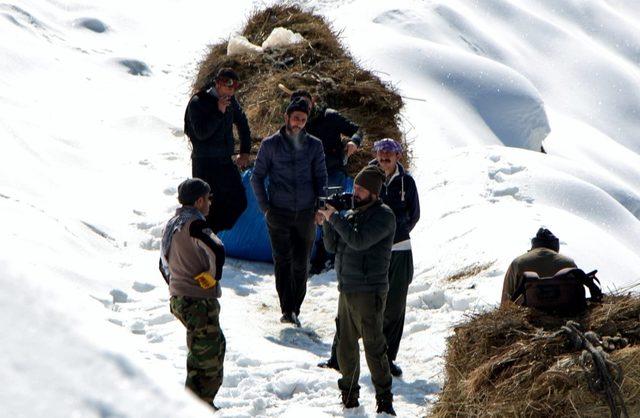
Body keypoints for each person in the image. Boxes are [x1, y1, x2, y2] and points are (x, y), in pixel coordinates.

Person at [318, 139, 420, 378]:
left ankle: (387, 359)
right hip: (366, 251)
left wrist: (394, 233)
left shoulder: (407, 182)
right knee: (351, 305)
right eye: (381, 152)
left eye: (389, 153)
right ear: (375, 154)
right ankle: (337, 358)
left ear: (398, 156)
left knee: (394, 308)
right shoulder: (365, 180)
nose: (384, 157)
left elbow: (414, 215)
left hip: (399, 250)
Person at [319, 165, 397, 415]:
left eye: (362, 189)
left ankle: (384, 399)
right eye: (356, 187)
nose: (356, 193)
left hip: (369, 291)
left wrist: (335, 218)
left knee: (374, 349)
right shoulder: (351, 214)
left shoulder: (384, 216)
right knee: (345, 346)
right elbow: (332, 247)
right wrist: (327, 221)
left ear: (374, 193)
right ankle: (349, 394)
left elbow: (358, 241)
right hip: (347, 289)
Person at [250, 97, 327, 327]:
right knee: (282, 261)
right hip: (278, 213)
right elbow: (257, 177)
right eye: (295, 119)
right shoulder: (270, 144)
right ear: (286, 118)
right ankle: (287, 309)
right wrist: (265, 208)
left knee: (301, 263)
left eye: (303, 120)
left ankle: (296, 307)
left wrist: (320, 208)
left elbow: (321, 177)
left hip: (305, 213)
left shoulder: (314, 145)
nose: (299, 124)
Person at [159, 178, 226, 411]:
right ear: (199, 201)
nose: (210, 203)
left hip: (179, 297)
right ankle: (198, 407)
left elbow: (162, 263)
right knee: (207, 357)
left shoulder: (172, 223)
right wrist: (210, 278)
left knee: (207, 348)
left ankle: (198, 404)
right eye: (208, 198)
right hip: (197, 300)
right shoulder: (195, 224)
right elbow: (217, 249)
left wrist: (176, 284)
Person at [290, 90, 363, 274]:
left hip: (332, 172)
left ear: (313, 101)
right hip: (309, 175)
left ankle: (326, 258)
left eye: (305, 103)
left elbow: (357, 129)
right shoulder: (296, 124)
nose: (302, 110)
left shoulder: (329, 116)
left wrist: (354, 142)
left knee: (329, 212)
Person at [184, 67, 251, 233]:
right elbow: (201, 133)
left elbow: (242, 123)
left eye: (234, 88)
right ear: (218, 84)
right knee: (205, 205)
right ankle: (202, 238)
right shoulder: (198, 102)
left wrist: (245, 152)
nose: (231, 92)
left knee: (239, 201)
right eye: (228, 87)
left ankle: (212, 234)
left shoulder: (231, 101)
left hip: (224, 160)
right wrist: (218, 112)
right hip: (204, 163)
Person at [501, 228, 577, 305]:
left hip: (526, 315)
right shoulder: (569, 263)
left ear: (534, 245)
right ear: (556, 247)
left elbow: (506, 298)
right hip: (564, 314)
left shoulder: (518, 263)